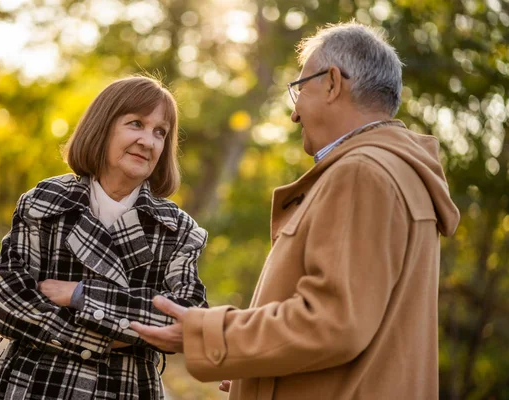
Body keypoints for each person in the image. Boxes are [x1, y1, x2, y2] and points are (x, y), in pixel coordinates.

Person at [131, 22, 460, 399]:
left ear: (333, 83)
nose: (294, 114)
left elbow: (333, 323)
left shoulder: (362, 174)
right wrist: (258, 372)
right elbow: (368, 335)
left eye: (300, 90)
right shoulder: (399, 172)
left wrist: (204, 332)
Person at [0, 76, 208, 400]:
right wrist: (107, 338)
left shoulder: (178, 229)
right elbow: (6, 302)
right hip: (35, 386)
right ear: (102, 127)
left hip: (126, 391)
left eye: (160, 132)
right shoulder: (45, 202)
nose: (148, 141)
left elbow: (186, 316)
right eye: (136, 124)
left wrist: (79, 294)